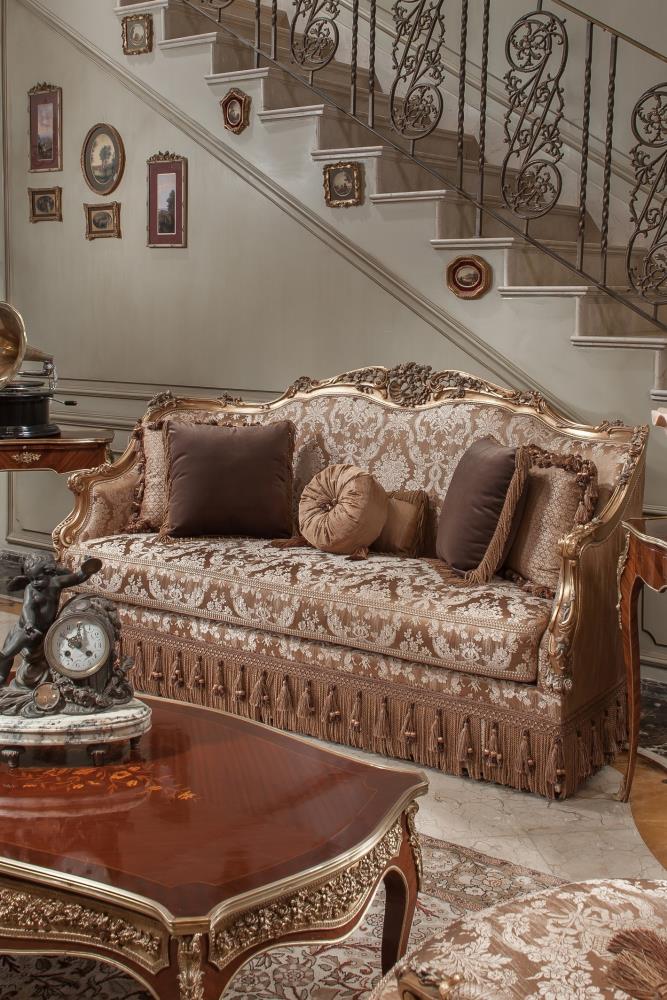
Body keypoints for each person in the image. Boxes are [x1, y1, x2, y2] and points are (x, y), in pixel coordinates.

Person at [0, 555, 102, 686]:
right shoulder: (30, 589)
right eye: (31, 579)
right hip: (26, 627)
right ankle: (2, 671)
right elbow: (27, 607)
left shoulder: (55, 583)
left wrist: (86, 571)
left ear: (49, 573)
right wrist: (29, 622)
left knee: (20, 641)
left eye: (38, 578)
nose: (34, 582)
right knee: (13, 646)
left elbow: (76, 577)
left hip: (41, 631)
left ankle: (5, 655)